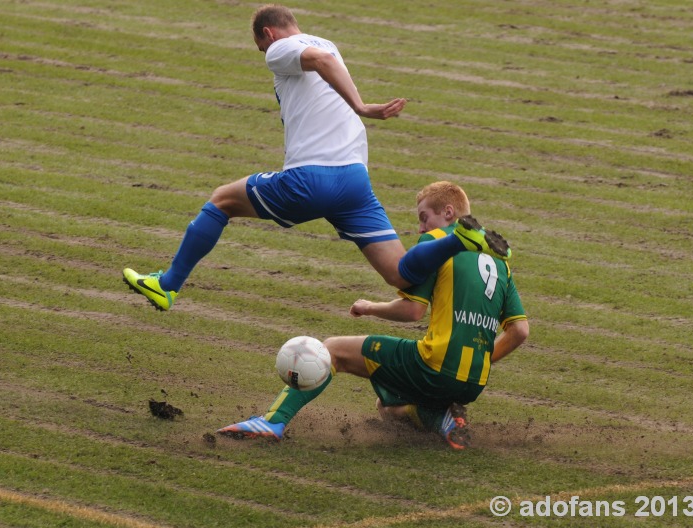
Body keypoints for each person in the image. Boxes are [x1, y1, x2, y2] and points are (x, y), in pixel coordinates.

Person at [123, 4, 510, 311]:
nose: (266, 55)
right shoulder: (327, 42)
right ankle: (461, 238)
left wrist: (362, 106)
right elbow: (325, 63)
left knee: (222, 199)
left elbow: (321, 65)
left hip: (312, 177)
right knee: (400, 275)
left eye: (262, 47)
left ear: (268, 34)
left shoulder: (280, 48)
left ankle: (168, 285)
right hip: (354, 181)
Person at [217, 181, 528, 449]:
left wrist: (370, 307)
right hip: (473, 382)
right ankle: (444, 419)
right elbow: (520, 332)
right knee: (387, 407)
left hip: (435, 366)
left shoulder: (435, 242)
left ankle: (272, 422)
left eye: (424, 217)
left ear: (448, 213)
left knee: (334, 350)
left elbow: (413, 310)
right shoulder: (501, 264)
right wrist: (482, 362)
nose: (420, 227)